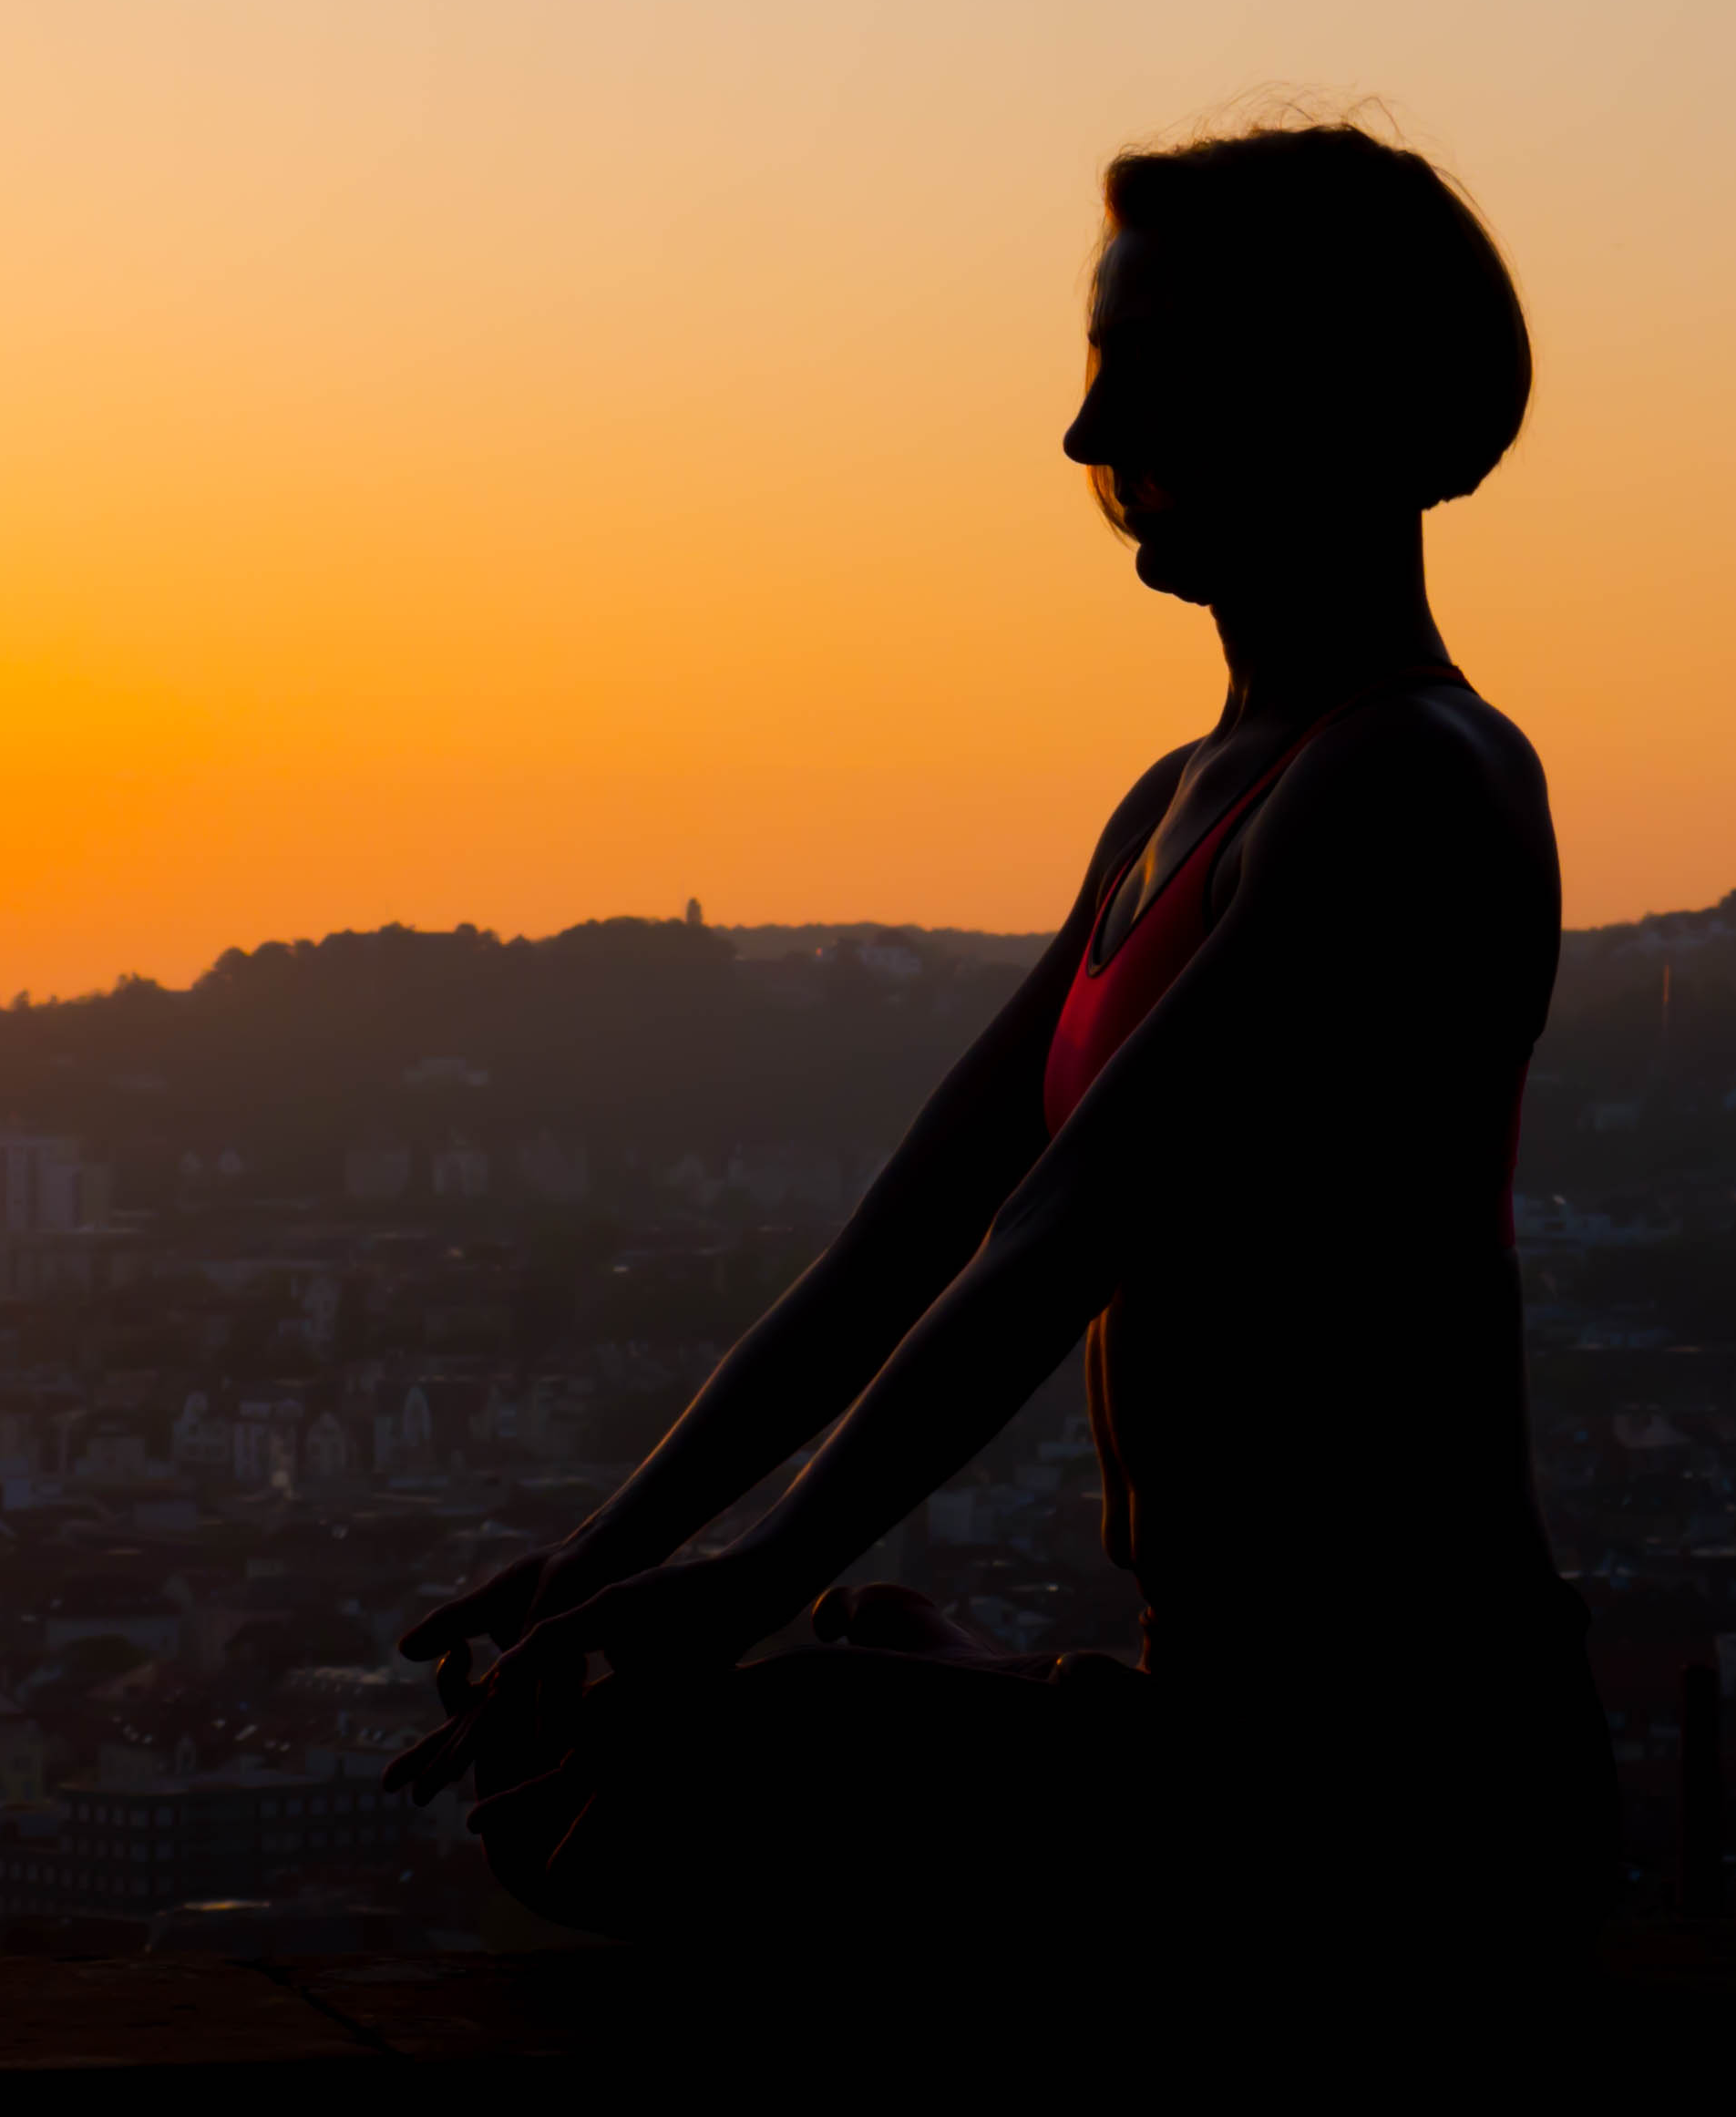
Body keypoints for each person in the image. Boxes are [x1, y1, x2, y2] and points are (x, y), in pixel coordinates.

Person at [383, 119, 1617, 1966]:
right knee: (622, 1752)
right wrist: (617, 1554)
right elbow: (905, 1237)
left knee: (624, 1798)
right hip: (1219, 1709)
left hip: (1386, 1772)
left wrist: (741, 1586)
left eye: (1144, 372)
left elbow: (1053, 1242)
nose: (1085, 441)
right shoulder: (1179, 804)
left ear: (1313, 392)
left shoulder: (1402, 783)